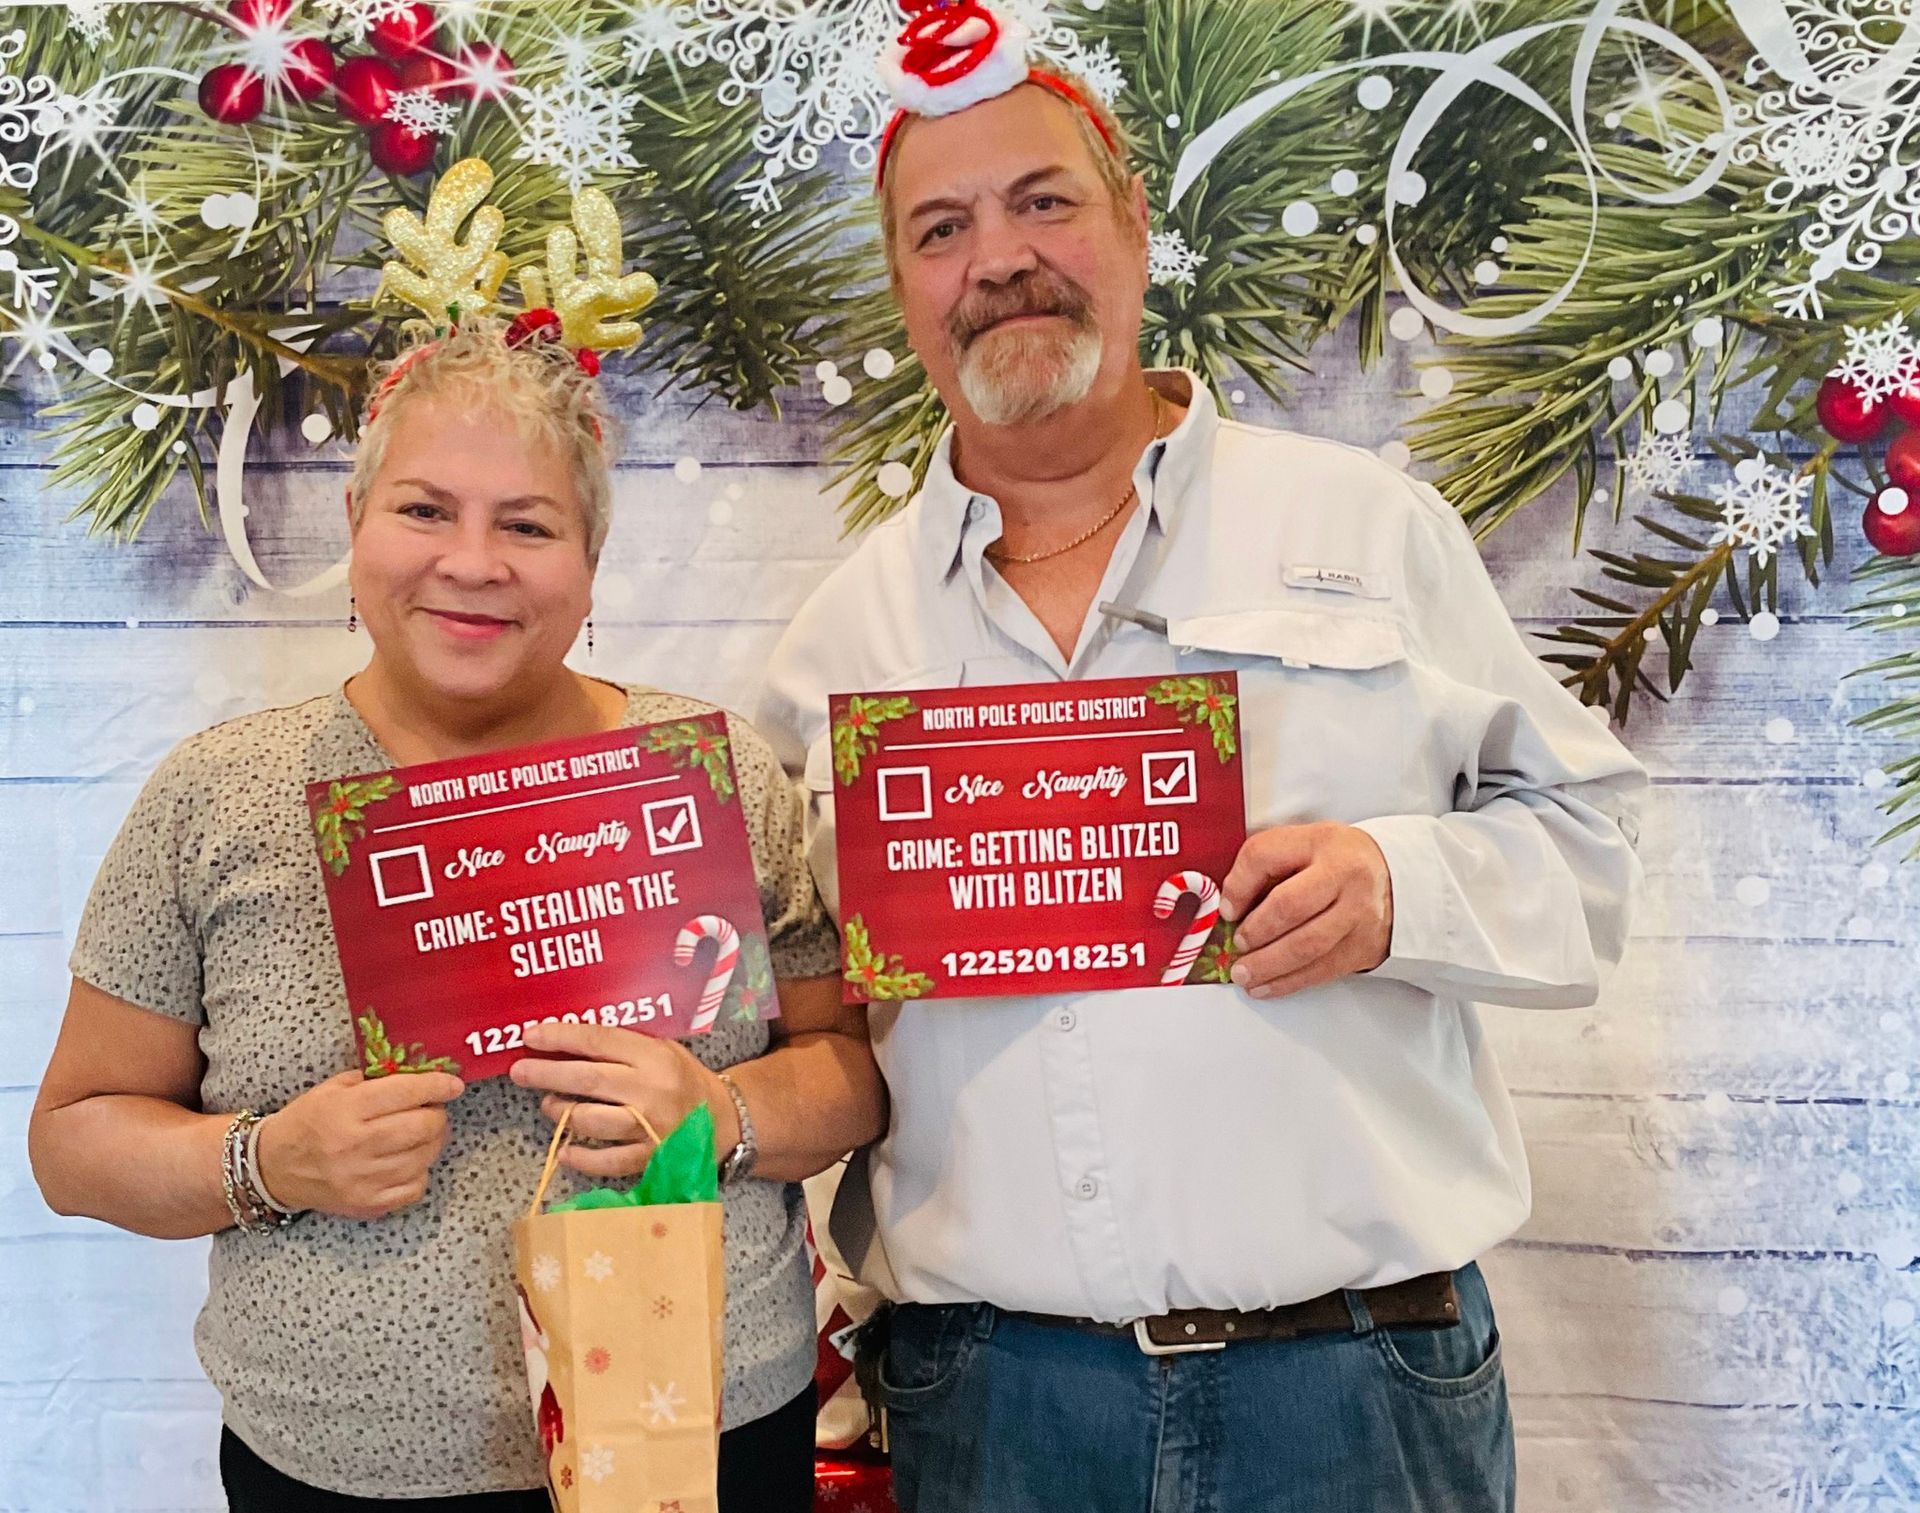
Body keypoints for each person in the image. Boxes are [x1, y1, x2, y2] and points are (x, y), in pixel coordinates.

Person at [758, 12, 1647, 1513]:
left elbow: (1592, 852)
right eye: (942, 227)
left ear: (1134, 222)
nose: (1000, 259)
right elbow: (806, 1015)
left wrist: (1397, 885)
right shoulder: (839, 641)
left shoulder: (1363, 527)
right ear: (906, 283)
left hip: (1361, 1392)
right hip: (999, 1406)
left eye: (1045, 201)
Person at [29, 316, 884, 1512]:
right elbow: (73, 1142)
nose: (472, 562)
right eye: (426, 510)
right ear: (357, 528)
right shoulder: (218, 797)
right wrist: (267, 1158)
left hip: (698, 1431)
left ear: (590, 563)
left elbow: (847, 1069)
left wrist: (723, 1110)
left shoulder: (716, 776)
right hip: (335, 1467)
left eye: (528, 524)